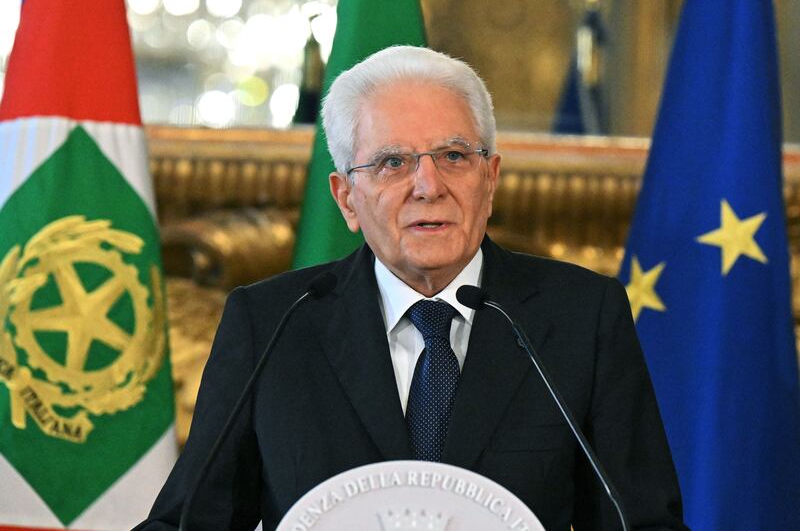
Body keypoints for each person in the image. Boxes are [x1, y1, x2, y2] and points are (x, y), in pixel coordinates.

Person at [137, 46, 688, 530]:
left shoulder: (580, 316)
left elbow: (640, 521)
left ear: (490, 179)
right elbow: (188, 521)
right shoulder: (274, 323)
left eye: (453, 157)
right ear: (347, 199)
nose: (428, 187)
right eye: (392, 163)